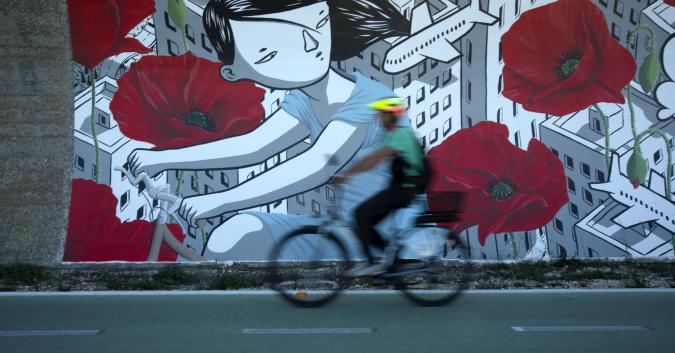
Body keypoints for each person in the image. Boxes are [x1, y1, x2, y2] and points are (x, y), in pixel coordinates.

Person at [126, 0, 411, 260]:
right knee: (234, 235)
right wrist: (159, 158)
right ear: (234, 72)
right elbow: (254, 146)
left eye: (319, 22)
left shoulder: (374, 99)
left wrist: (218, 201)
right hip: (343, 227)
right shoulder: (306, 98)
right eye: (269, 53)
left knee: (235, 239)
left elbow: (318, 164)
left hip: (384, 234)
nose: (312, 45)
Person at [335, 98, 426, 276]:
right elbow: (375, 158)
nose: (378, 118)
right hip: (401, 189)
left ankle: (373, 263)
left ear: (390, 116)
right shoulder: (394, 135)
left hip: (404, 189)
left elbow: (375, 158)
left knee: (360, 214)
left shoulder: (400, 135)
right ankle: (390, 262)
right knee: (364, 222)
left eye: (381, 114)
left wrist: (347, 174)